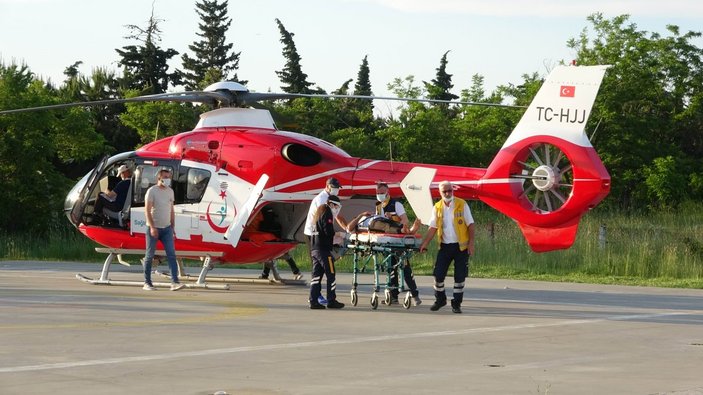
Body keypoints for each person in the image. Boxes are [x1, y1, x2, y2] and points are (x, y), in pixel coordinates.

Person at [419, 181, 475, 314]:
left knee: (459, 277)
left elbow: (471, 224)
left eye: (450, 190)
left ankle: (456, 304)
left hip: (461, 247)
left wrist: (471, 243)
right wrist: (425, 243)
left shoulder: (462, 204)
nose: (448, 193)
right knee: (438, 275)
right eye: (445, 191)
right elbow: (433, 227)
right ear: (440, 193)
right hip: (444, 246)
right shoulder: (437, 207)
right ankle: (440, 299)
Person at [142, 168, 185, 291]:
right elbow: (147, 210)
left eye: (169, 177)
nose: (167, 179)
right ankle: (147, 282)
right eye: (165, 177)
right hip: (154, 228)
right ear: (159, 178)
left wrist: (173, 226)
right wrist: (152, 227)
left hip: (167, 228)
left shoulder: (170, 191)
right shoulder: (152, 191)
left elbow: (171, 210)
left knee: (171, 254)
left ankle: (174, 282)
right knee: (150, 255)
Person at [308, 195, 345, 309]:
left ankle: (313, 300)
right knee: (331, 274)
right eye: (337, 206)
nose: (337, 209)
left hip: (314, 249)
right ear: (332, 204)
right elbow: (328, 231)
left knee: (316, 276)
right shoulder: (327, 212)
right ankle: (331, 300)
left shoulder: (318, 212)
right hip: (323, 250)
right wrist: (338, 235)